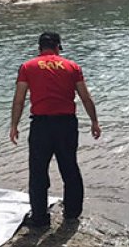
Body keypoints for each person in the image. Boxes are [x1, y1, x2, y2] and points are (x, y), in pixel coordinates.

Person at [9, 32, 101, 228]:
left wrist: (14, 125)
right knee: (70, 169)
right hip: (67, 124)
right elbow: (85, 97)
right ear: (58, 47)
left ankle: (40, 219)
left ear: (39, 48)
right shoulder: (72, 66)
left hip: (41, 126)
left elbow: (19, 99)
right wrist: (94, 121)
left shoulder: (28, 67)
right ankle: (72, 214)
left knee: (38, 172)